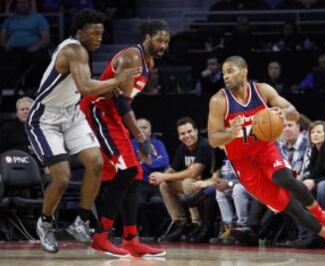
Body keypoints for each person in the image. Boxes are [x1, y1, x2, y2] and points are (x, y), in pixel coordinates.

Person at [207, 56, 325, 261]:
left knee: (283, 178)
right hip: (244, 163)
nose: (226, 76)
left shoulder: (262, 90)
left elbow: (292, 112)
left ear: (244, 71)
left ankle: (323, 215)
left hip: (265, 149)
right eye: (223, 73)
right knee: (291, 208)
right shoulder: (219, 100)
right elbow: (213, 139)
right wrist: (231, 133)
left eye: (230, 71)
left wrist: (281, 114)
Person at [24, 9, 141, 254]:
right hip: (45, 118)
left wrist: (107, 87)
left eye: (102, 33)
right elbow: (86, 87)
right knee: (63, 177)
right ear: (80, 32)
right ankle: (45, 223)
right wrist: (116, 80)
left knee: (96, 163)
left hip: (72, 113)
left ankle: (81, 221)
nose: (100, 38)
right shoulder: (73, 50)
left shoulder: (82, 51)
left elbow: (86, 85)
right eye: (95, 33)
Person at [80, 19, 170, 257]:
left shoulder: (149, 63)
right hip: (98, 112)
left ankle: (131, 239)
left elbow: (124, 101)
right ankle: (101, 236)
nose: (164, 45)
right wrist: (140, 137)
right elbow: (120, 103)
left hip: (113, 116)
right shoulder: (132, 57)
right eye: (160, 39)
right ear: (148, 37)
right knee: (128, 172)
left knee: (134, 173)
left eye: (167, 41)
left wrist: (136, 135)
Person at [150, 117, 214, 242]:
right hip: (195, 186)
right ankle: (180, 223)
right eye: (183, 133)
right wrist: (158, 178)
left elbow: (194, 172)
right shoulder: (182, 148)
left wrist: (164, 176)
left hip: (209, 183)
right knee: (164, 185)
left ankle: (197, 223)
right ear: (179, 136)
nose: (187, 136)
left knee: (188, 182)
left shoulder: (205, 145)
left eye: (189, 131)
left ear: (196, 131)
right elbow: (172, 170)